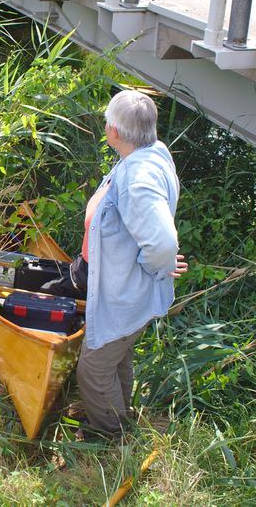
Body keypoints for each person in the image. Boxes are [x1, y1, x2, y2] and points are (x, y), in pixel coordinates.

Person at [45, 89, 186, 438]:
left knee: (93, 369)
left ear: (114, 132)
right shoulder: (149, 152)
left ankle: (111, 437)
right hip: (121, 286)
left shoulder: (137, 179)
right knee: (117, 357)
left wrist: (159, 266)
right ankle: (121, 416)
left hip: (125, 291)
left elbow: (163, 241)